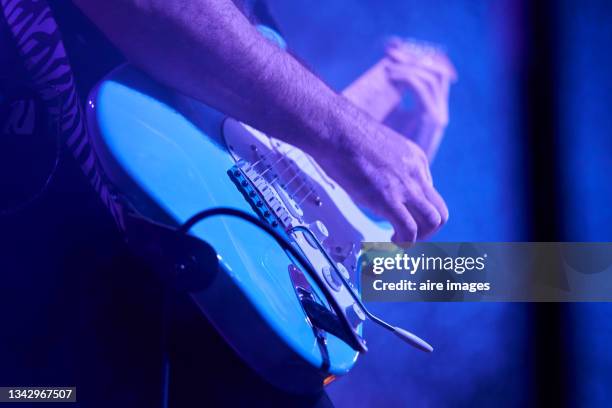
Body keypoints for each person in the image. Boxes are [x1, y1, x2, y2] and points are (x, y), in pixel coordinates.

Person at [1, 0, 455, 405]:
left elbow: (232, 98)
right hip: (55, 321)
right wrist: (349, 135)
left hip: (188, 316)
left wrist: (356, 193)